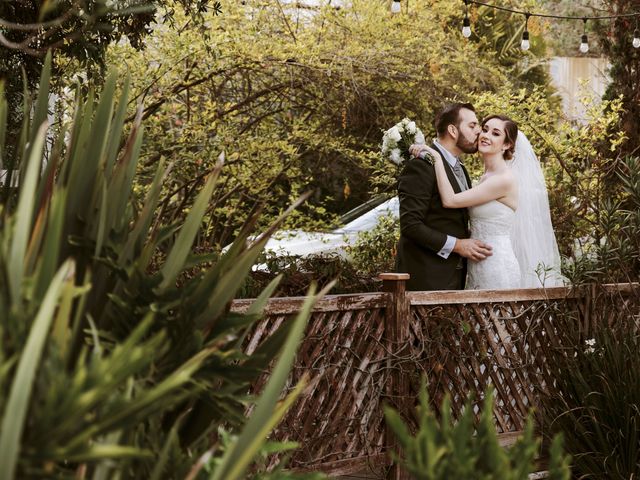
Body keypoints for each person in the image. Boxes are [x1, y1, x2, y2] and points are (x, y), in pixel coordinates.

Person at [416, 115, 564, 289]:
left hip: (496, 263)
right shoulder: (485, 177)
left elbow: (450, 200)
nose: (486, 135)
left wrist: (437, 157)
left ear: (507, 144)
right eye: (484, 130)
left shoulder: (503, 179)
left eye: (495, 133)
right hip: (477, 261)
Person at [395, 103, 493, 291]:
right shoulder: (421, 165)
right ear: (453, 130)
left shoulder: (461, 169)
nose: (479, 132)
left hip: (455, 276)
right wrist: (457, 245)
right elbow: (410, 225)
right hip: (427, 278)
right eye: (472, 126)